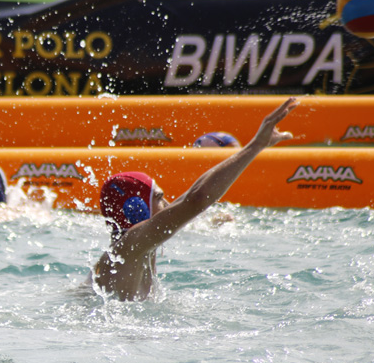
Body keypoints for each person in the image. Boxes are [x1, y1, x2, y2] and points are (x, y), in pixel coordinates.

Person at [91, 97, 299, 301]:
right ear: (136, 209)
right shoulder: (132, 243)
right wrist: (254, 146)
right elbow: (196, 200)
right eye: (159, 197)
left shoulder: (133, 248)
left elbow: (190, 197)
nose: (167, 203)